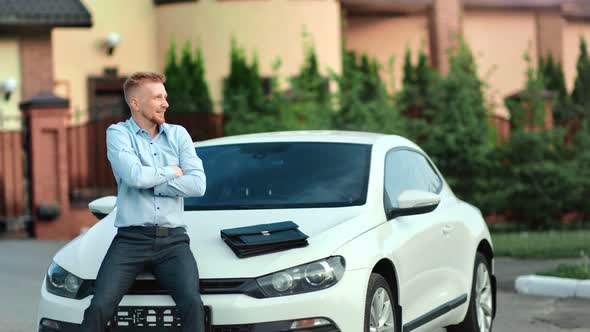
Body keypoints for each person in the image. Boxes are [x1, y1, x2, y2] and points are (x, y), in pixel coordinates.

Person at [81, 72, 207, 331]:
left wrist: (155, 184)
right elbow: (134, 176)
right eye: (158, 97)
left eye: (165, 97)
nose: (165, 104)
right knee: (100, 305)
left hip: (173, 242)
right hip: (131, 241)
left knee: (193, 304)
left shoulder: (178, 135)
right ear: (136, 104)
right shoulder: (118, 133)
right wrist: (173, 171)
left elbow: (198, 185)